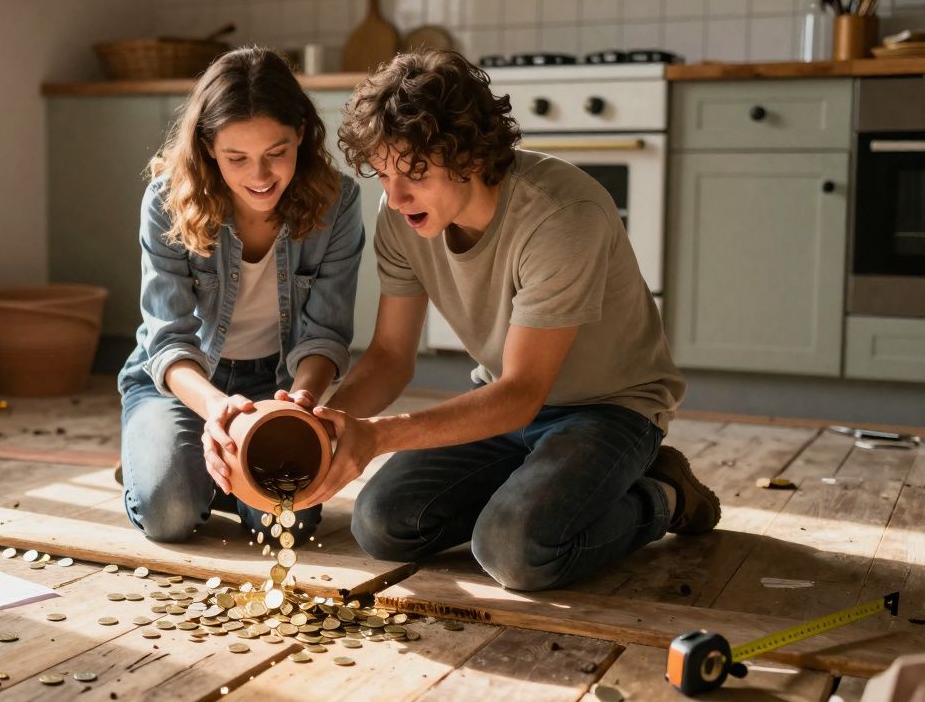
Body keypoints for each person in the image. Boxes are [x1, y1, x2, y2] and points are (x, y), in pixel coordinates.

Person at [303, 50, 719, 591]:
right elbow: (388, 358)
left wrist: (379, 436)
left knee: (514, 551)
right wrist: (321, 424)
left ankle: (662, 492)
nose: (395, 196)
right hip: (502, 404)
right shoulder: (400, 216)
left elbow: (524, 391)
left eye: (415, 173)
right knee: (382, 523)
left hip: (609, 410)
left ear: (470, 154)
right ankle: (548, 493)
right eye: (383, 173)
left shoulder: (560, 215)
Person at [117, 46, 364, 543]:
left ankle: (193, 468)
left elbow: (325, 335)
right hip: (183, 386)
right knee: (169, 513)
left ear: (301, 135)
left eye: (277, 153)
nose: (260, 177)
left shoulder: (339, 201)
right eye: (237, 158)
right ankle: (162, 461)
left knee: (285, 520)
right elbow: (168, 342)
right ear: (208, 146)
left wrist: (299, 404)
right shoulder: (167, 200)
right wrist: (216, 410)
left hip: (276, 384)